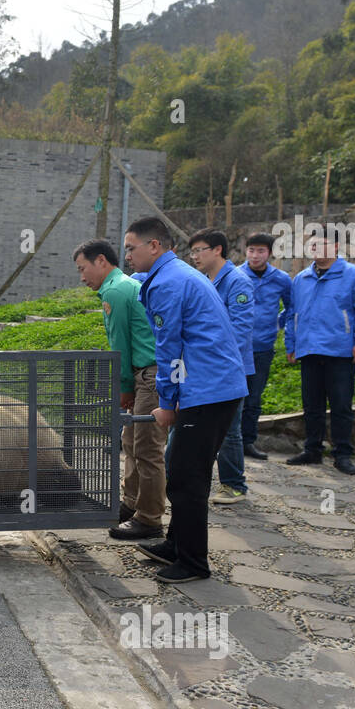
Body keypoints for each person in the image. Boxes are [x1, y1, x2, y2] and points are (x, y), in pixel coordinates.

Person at [124, 217, 247, 584]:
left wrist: (167, 401)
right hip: (213, 386)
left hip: (208, 391)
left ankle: (193, 562)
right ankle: (176, 545)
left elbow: (170, 349)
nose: (127, 255)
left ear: (155, 246)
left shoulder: (169, 283)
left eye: (132, 248)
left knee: (185, 478)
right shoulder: (173, 275)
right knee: (182, 471)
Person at [73, 238, 164, 540]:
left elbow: (120, 347)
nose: (82, 277)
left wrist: (124, 388)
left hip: (148, 374)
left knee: (147, 448)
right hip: (145, 372)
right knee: (131, 441)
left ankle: (149, 519)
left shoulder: (114, 290)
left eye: (83, 268)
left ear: (101, 261)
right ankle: (131, 504)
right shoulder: (124, 285)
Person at [283, 233, 355, 475]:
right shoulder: (301, 279)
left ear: (336, 246)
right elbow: (292, 314)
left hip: (341, 351)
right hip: (309, 350)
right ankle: (312, 449)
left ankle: (342, 454)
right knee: (311, 405)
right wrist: (291, 344)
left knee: (341, 405)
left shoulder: (354, 275)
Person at [187, 229, 255, 504]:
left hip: (229, 368)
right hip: (205, 366)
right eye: (191, 252)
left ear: (217, 250)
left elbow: (240, 331)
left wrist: (215, 361)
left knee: (230, 430)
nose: (194, 257)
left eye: (199, 250)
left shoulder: (238, 282)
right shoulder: (205, 281)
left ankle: (234, 485)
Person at [238, 232, 292, 460]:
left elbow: (291, 309)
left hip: (263, 348)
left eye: (261, 251)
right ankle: (227, 442)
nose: (255, 255)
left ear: (269, 253)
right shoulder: (235, 275)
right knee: (232, 397)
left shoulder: (281, 279)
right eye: (251, 250)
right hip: (237, 348)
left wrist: (275, 326)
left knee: (254, 398)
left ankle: (247, 442)